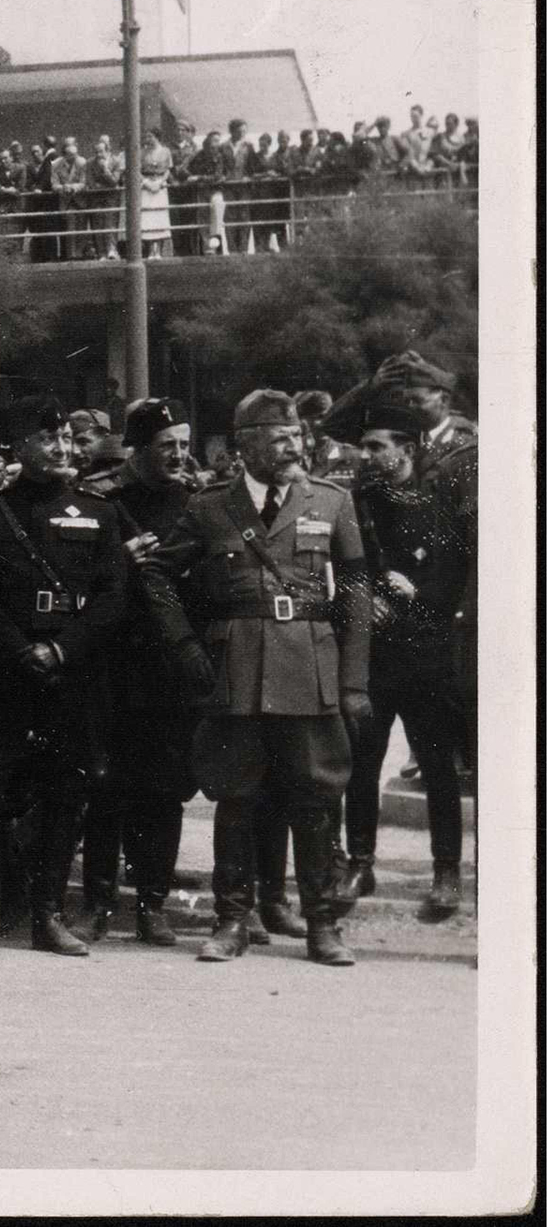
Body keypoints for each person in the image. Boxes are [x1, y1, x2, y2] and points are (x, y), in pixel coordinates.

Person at [141, 390, 371, 966]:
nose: (293, 446)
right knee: (236, 798)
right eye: (278, 438)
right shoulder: (210, 506)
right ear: (245, 446)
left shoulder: (332, 500)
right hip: (237, 667)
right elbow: (157, 575)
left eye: (296, 436)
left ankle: (322, 926)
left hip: (310, 666)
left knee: (315, 801)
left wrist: (353, 680)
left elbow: (357, 592)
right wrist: (183, 643)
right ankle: (231, 922)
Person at [0, 396, 128, 960]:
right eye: (47, 438)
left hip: (71, 673)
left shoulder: (99, 512)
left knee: (65, 791)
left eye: (65, 436)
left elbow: (114, 595)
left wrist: (62, 649)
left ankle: (48, 917)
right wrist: (21, 651)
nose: (62, 447)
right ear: (17, 447)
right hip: (4, 674)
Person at [322, 399, 469, 920]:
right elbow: (341, 572)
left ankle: (446, 871)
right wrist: (364, 600)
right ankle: (360, 863)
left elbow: (456, 578)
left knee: (438, 766)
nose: (365, 455)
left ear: (406, 449)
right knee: (362, 764)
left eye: (376, 446)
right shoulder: (356, 504)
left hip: (427, 656)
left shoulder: (439, 504)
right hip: (374, 656)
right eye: (363, 446)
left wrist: (415, 596)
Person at [77, 399, 205, 944]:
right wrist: (119, 561)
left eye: (184, 444)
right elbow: (69, 575)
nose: (179, 454)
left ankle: (153, 903)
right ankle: (98, 904)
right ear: (138, 448)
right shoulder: (100, 501)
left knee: (165, 787)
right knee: (106, 785)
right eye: (166, 445)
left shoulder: (195, 501)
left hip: (168, 664)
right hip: (112, 662)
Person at [66, 408, 120, 482]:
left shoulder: (123, 479)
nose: (75, 451)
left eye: (83, 442)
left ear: (105, 440)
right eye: (69, 442)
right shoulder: (70, 482)